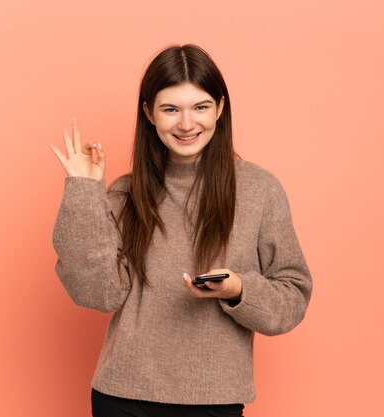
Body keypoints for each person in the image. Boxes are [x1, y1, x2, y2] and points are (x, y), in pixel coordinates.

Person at [49, 43, 313, 417]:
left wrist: (238, 289)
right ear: (149, 113)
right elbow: (98, 293)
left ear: (220, 108)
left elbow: (293, 297)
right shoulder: (128, 192)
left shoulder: (259, 190)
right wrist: (84, 191)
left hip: (213, 401)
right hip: (122, 397)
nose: (187, 124)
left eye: (200, 107)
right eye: (171, 109)